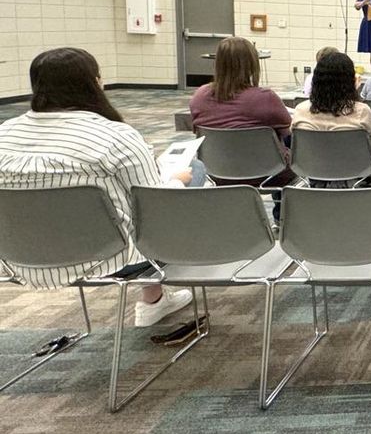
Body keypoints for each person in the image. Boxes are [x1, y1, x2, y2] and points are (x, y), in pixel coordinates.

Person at [0, 48, 199, 327]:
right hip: (111, 258)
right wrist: (178, 180)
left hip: (18, 257)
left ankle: (155, 299)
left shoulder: (4, 133)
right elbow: (155, 204)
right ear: (95, 83)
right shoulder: (116, 137)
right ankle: (154, 297)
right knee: (193, 174)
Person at [190, 36, 292, 144]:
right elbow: (288, 129)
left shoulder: (199, 97)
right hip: (263, 159)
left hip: (213, 160)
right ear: (252, 65)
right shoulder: (266, 98)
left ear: (218, 63)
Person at [292, 51, 371, 146]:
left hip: (309, 161)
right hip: (350, 160)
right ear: (350, 81)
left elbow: (295, 147)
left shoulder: (300, 111)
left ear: (316, 80)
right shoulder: (362, 112)